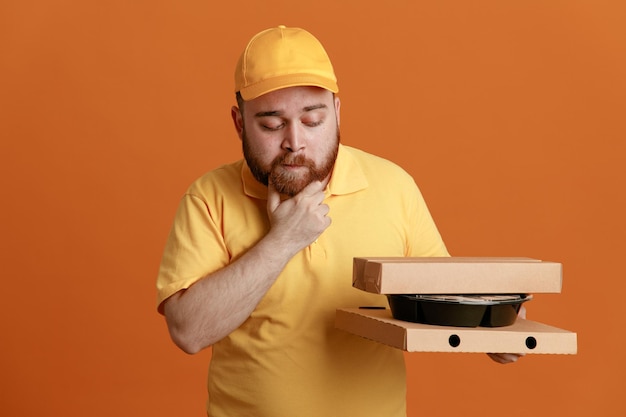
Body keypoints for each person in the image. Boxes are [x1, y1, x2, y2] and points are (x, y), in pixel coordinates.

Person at [156, 25, 522, 417]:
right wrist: (282, 240)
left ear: (337, 112)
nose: (294, 141)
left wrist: (495, 323)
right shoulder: (208, 198)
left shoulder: (393, 186)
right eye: (271, 124)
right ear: (239, 123)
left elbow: (445, 294)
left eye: (313, 121)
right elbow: (189, 332)